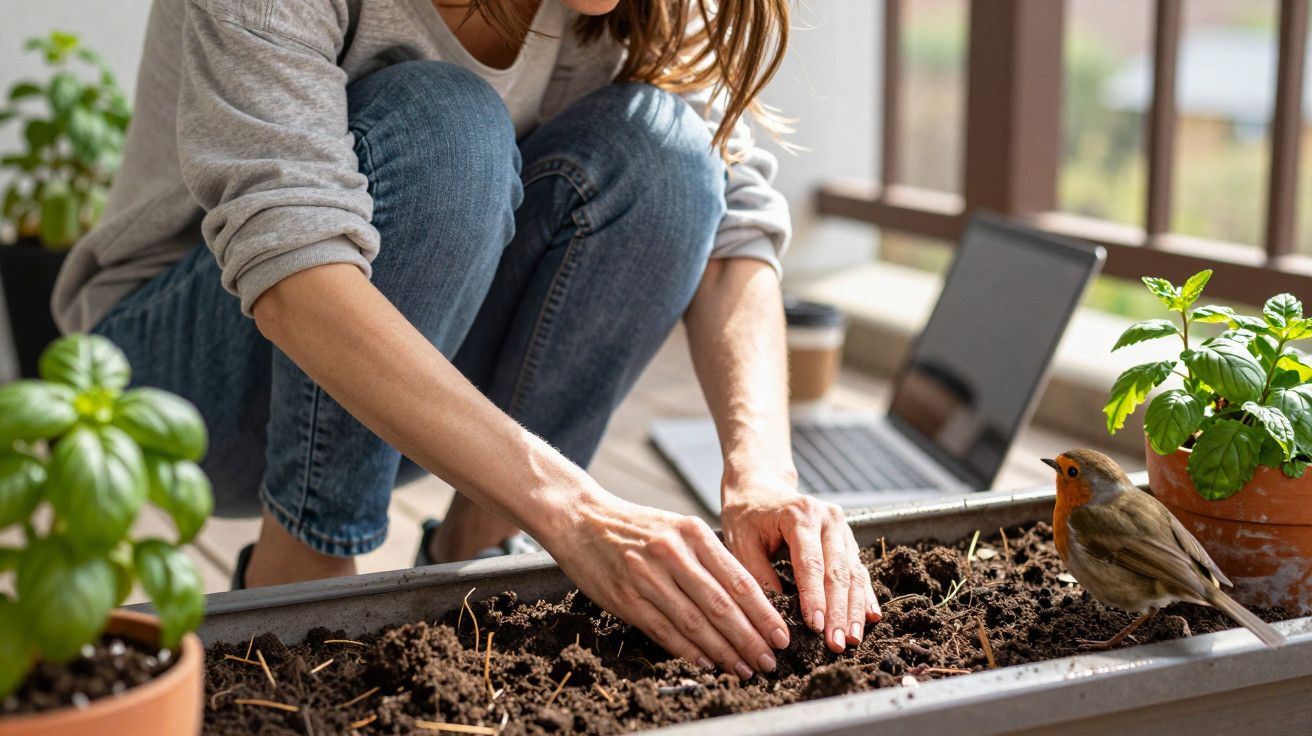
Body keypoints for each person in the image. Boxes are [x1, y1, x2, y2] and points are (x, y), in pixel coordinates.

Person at [52, 0, 881, 679]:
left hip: (428, 388)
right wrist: (576, 510)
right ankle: (298, 582)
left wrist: (762, 476)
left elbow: (732, 222)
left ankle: (483, 576)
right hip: (189, 383)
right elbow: (293, 263)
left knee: (670, 157)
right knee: (446, 128)